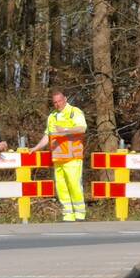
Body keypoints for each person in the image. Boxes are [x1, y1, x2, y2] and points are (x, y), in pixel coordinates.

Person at [32, 90, 87, 221]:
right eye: (55, 102)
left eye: (60, 101)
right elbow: (47, 135)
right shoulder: (52, 116)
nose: (57, 104)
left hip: (72, 157)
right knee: (61, 187)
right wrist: (36, 148)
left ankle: (80, 213)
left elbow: (82, 128)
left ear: (65, 99)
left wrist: (65, 130)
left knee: (74, 185)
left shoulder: (74, 112)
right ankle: (68, 214)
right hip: (58, 158)